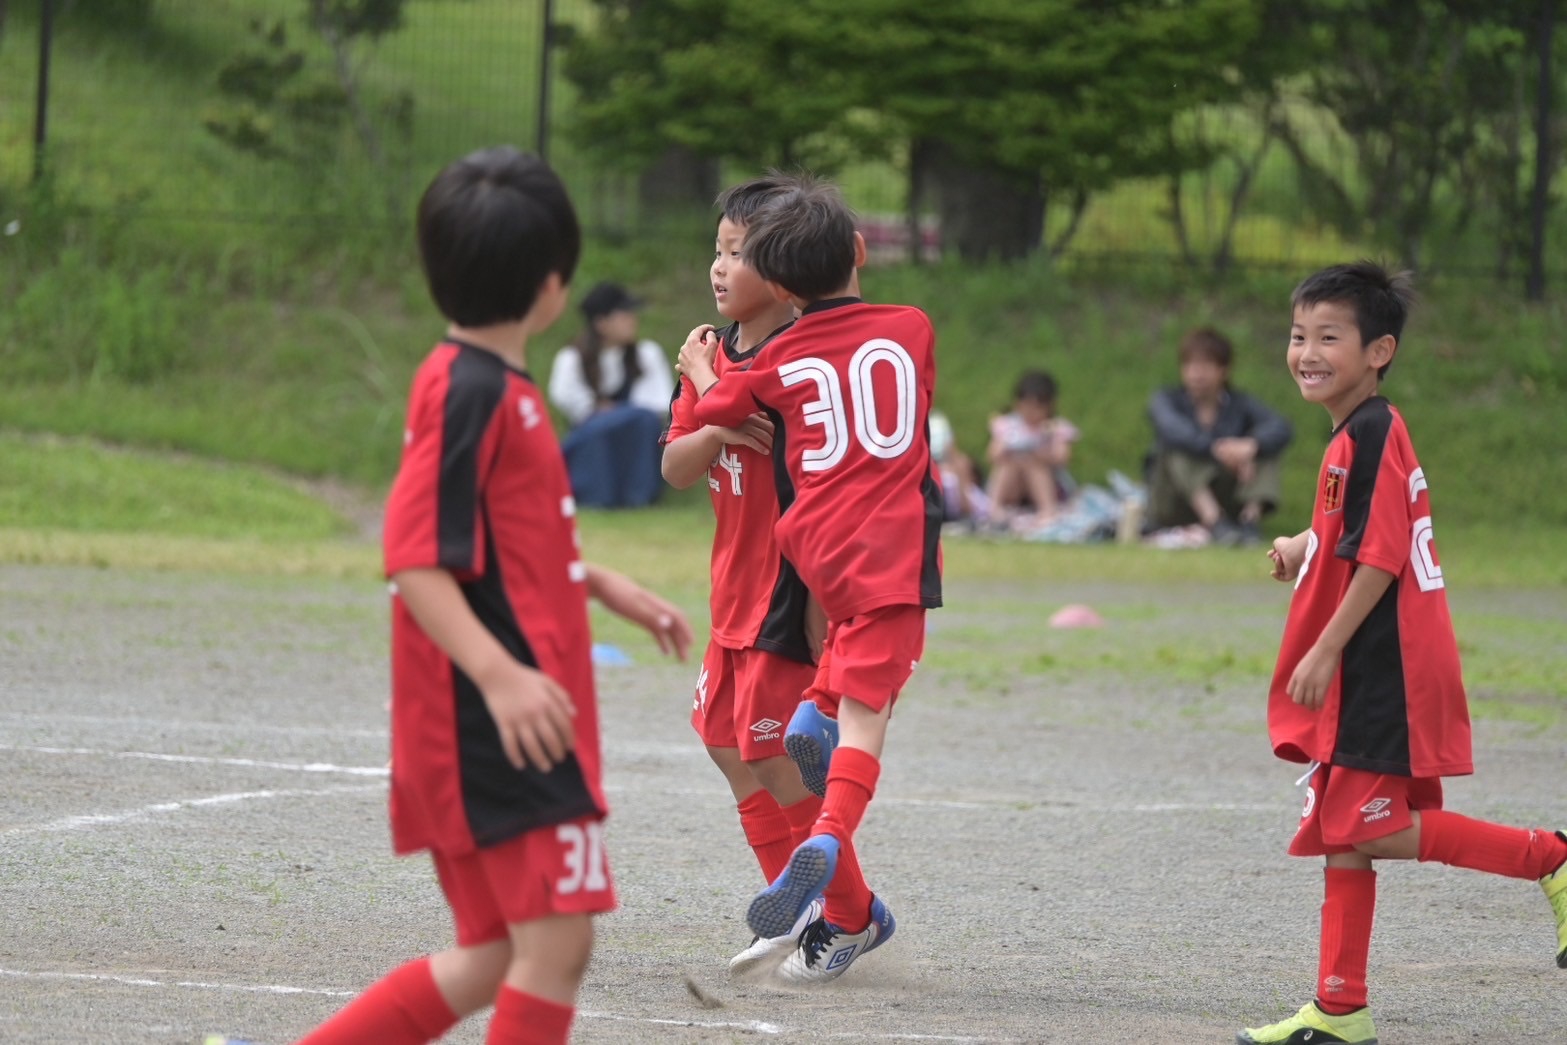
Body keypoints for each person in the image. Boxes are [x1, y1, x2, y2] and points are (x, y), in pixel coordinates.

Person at [289, 147, 693, 1045]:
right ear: (556, 285)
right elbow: (416, 559)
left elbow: (490, 545)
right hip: (496, 719)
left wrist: (593, 581)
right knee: (555, 943)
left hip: (497, 708)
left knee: (495, 950)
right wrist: (500, 674)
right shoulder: (469, 390)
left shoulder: (493, 385)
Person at [1237, 261, 1567, 1045]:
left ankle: (1549, 856)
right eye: (1296, 335)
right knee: (1343, 828)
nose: (1306, 352)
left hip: (1376, 667)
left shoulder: (1374, 430)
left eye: (1328, 337)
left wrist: (1321, 648)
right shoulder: (1353, 435)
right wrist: (1300, 544)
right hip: (1369, 666)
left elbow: (1381, 558)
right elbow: (1348, 533)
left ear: (1378, 349)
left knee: (1377, 828)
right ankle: (1339, 1007)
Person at [680, 172, 942, 982]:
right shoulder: (906, 327)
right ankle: (816, 899)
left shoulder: (771, 360)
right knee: (733, 745)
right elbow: (680, 456)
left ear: (780, 280)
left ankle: (835, 899)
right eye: (716, 250)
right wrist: (706, 394)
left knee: (785, 750)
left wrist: (707, 384)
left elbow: (733, 399)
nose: (721, 266)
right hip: (751, 582)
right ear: (858, 253)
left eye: (738, 252)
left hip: (798, 585)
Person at [1145, 327, 1293, 546]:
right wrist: (1221, 451)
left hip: (1226, 493)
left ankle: (1249, 522)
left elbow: (1281, 426)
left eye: (1205, 366)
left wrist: (1250, 447)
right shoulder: (1166, 399)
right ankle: (1216, 523)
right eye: (1190, 365)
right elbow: (1173, 429)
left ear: (1223, 369)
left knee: (1263, 449)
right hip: (1172, 500)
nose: (1196, 373)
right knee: (1176, 449)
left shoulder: (1240, 403)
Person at [547, 281, 674, 508]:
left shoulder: (646, 354)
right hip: (593, 435)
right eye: (624, 315)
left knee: (643, 422)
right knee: (596, 431)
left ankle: (638, 495)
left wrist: (611, 412)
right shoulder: (572, 358)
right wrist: (604, 413)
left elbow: (656, 405)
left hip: (635, 434)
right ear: (602, 323)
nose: (632, 320)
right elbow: (575, 405)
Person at [984, 369, 1079, 525]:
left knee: (1033, 463)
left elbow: (1063, 457)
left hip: (1047, 484)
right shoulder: (1008, 425)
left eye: (1037, 407)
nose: (1032, 413)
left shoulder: (1054, 427)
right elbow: (992, 455)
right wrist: (1008, 447)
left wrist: (1043, 453)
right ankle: (994, 508)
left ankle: (1047, 510)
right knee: (1008, 464)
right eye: (1027, 406)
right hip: (1014, 486)